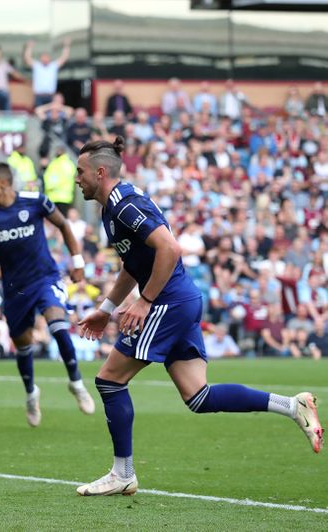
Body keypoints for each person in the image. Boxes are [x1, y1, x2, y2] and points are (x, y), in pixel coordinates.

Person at [73, 136, 322, 496]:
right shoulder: (114, 207)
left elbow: (170, 248)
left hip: (168, 303)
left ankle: (123, 473)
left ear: (99, 171)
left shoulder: (124, 204)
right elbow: (133, 263)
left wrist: (144, 301)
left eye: (80, 171)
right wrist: (107, 309)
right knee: (198, 397)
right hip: (180, 299)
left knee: (110, 380)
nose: (76, 179)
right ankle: (291, 405)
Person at [0, 162, 94, 426]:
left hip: (45, 277)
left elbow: (64, 226)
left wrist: (77, 261)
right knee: (23, 345)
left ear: (3, 183)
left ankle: (76, 382)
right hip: (14, 288)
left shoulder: (35, 202)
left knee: (59, 324)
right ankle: (31, 393)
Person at [23, 38, 70, 108]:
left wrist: (66, 46)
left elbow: (64, 58)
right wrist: (29, 47)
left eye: (46, 57)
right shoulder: (37, 66)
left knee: (51, 115)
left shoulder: (53, 66)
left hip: (50, 96)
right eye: (43, 57)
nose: (45, 59)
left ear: (49, 58)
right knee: (38, 114)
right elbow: (27, 58)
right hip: (38, 96)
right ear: (40, 58)